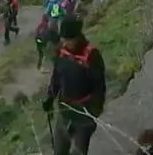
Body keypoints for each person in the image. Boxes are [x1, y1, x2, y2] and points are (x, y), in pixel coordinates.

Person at [42, 17, 107, 155]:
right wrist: (50, 96)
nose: (64, 43)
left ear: (77, 37)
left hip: (84, 112)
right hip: (65, 109)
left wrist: (93, 113)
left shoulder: (91, 55)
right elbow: (57, 77)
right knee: (59, 150)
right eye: (63, 39)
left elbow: (99, 86)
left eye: (68, 40)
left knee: (79, 151)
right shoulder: (62, 52)